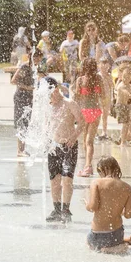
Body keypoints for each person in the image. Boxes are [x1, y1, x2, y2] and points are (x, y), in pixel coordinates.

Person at [85, 156, 131, 253]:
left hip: (96, 235)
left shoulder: (96, 183)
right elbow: (128, 215)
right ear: (116, 168)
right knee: (112, 243)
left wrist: (87, 204)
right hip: (116, 235)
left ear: (102, 169)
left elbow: (93, 207)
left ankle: (115, 247)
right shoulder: (127, 187)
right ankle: (129, 240)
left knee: (89, 244)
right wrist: (118, 210)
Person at [45, 77, 85, 222]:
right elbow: (46, 126)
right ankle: (56, 210)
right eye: (47, 94)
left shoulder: (69, 103)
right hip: (53, 147)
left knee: (67, 180)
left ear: (57, 89)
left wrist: (74, 137)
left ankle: (66, 210)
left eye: (51, 93)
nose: (50, 97)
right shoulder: (48, 106)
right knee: (54, 181)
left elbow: (82, 122)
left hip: (69, 146)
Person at [75, 58, 104, 177]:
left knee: (85, 140)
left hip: (84, 112)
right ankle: (88, 165)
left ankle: (87, 167)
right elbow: (103, 95)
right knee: (89, 141)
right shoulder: (99, 79)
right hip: (95, 111)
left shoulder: (80, 80)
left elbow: (77, 97)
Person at [11, 49, 42, 157]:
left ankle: (22, 149)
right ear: (31, 57)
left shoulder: (35, 68)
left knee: (26, 123)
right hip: (21, 97)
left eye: (39, 57)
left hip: (28, 98)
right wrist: (27, 87)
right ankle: (20, 151)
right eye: (35, 57)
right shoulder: (24, 67)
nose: (37, 59)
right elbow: (13, 80)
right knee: (21, 123)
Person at [97, 57, 114, 141]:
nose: (104, 69)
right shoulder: (97, 76)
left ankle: (104, 131)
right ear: (99, 66)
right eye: (102, 67)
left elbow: (112, 86)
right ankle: (96, 130)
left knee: (105, 115)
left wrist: (113, 98)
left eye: (106, 67)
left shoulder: (109, 75)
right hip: (99, 97)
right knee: (98, 114)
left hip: (107, 97)